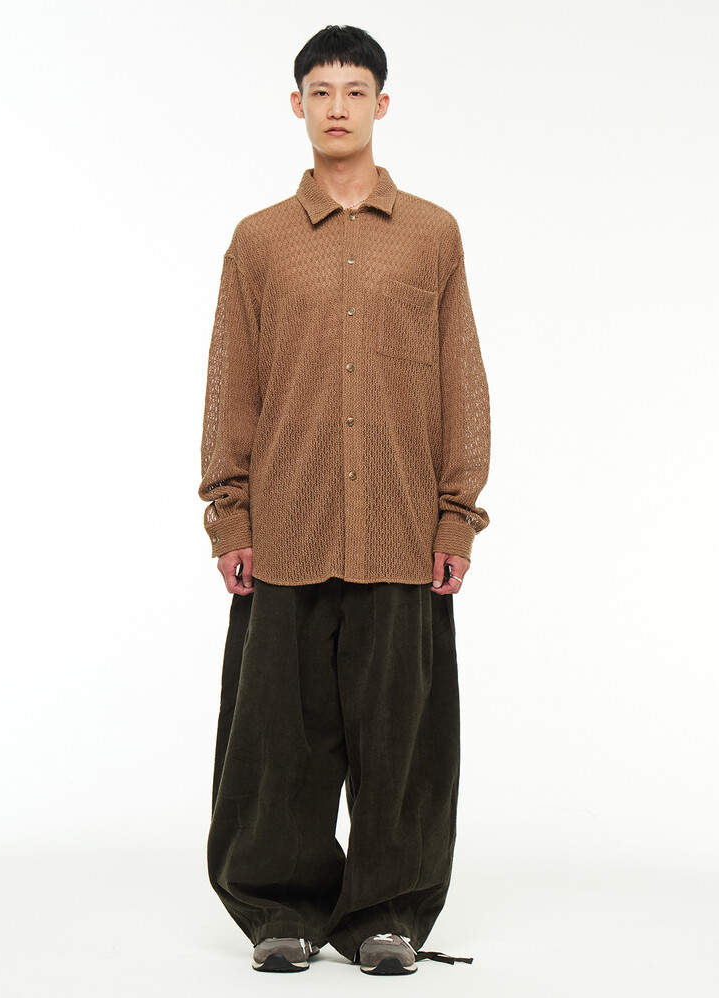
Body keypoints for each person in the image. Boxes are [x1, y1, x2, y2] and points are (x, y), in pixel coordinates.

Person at [198, 23, 490, 976]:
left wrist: (456, 515)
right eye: (319, 91)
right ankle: (279, 910)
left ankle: (386, 917)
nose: (336, 107)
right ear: (297, 105)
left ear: (381, 105)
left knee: (402, 741)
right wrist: (230, 516)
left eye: (354, 91)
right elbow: (232, 387)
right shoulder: (258, 242)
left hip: (403, 528)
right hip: (287, 524)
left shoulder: (434, 235)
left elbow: (462, 381)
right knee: (278, 740)